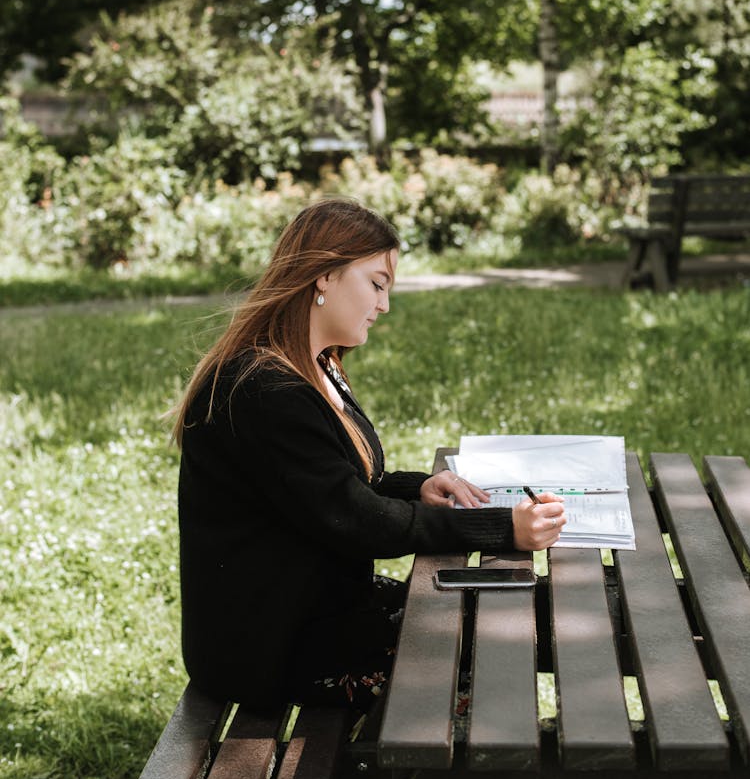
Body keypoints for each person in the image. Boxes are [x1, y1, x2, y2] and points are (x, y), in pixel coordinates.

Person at [173, 198, 566, 714]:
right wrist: (501, 529)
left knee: (491, 619)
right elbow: (357, 521)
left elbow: (334, 486)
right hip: (268, 647)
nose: (383, 306)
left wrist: (416, 488)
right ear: (324, 276)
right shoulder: (262, 391)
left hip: (314, 608)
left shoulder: (316, 365)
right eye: (376, 284)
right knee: (467, 657)